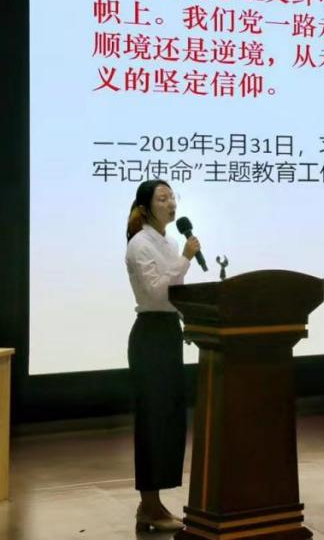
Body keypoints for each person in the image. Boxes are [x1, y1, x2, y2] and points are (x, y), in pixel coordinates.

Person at [125, 179, 201, 532]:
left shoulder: (168, 241)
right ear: (145, 208)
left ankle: (153, 505)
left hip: (168, 331)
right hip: (150, 336)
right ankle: (149, 506)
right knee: (153, 421)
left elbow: (175, 293)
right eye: (162, 198)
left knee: (169, 420)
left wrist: (192, 321)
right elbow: (157, 292)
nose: (171, 203)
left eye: (173, 197)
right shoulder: (139, 244)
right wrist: (186, 258)